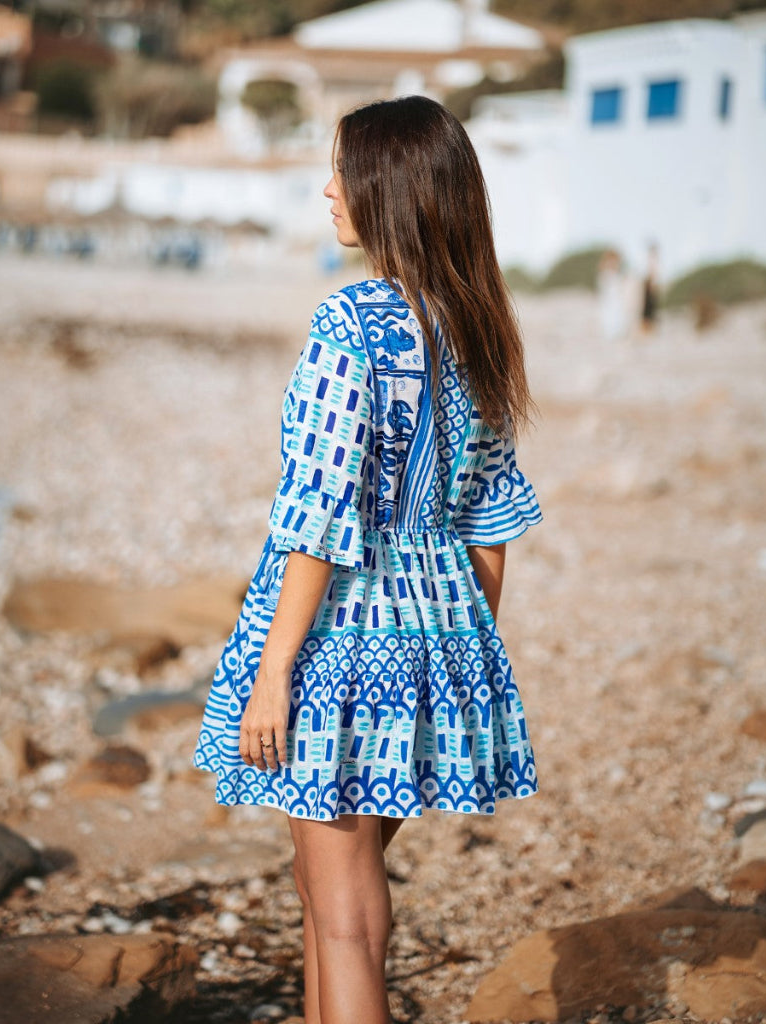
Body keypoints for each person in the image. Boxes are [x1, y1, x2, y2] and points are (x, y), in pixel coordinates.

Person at [193, 95, 543, 1024]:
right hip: (446, 631)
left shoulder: (352, 322)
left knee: (343, 917)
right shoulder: (478, 326)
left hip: (340, 641)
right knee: (325, 896)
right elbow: (491, 519)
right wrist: (463, 655)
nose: (329, 190)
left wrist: (273, 674)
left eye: (343, 171)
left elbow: (318, 514)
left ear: (390, 190)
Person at [640, 242, 660, 335]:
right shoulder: (652, 260)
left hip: (649, 285)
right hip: (649, 285)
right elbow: (652, 274)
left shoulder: (653, 259)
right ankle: (646, 330)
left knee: (649, 310)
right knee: (648, 310)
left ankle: (647, 330)